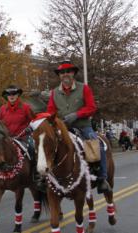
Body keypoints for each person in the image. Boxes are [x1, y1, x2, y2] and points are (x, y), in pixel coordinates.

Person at [47, 61, 110, 193]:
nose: (65, 74)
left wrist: (77, 114)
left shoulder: (84, 88)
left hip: (82, 126)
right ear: (59, 76)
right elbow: (51, 111)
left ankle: (102, 178)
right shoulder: (54, 93)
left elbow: (91, 107)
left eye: (68, 71)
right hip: (62, 127)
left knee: (96, 144)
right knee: (46, 144)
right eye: (62, 72)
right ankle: (45, 176)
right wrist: (54, 120)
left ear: (73, 73)